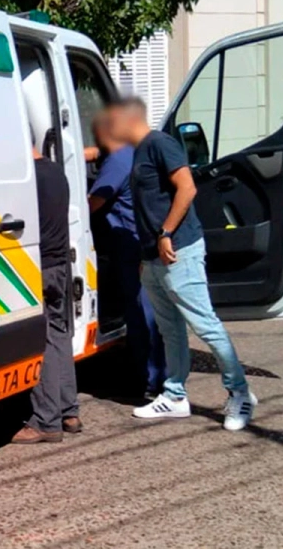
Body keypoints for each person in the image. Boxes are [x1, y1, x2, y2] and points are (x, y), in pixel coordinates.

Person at [107, 97, 257, 431]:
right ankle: (174, 396)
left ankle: (240, 393)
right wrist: (148, 255)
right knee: (169, 328)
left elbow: (186, 189)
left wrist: (166, 233)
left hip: (178, 250)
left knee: (205, 325)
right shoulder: (138, 151)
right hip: (154, 257)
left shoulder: (161, 143)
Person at [87, 113, 167, 398]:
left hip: (129, 246)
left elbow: (93, 204)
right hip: (139, 241)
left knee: (140, 314)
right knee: (149, 312)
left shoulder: (116, 162)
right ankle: (154, 377)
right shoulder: (129, 153)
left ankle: (150, 383)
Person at [13, 138, 82, 443]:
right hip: (60, 265)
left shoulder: (27, 179)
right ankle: (70, 412)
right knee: (59, 335)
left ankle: (46, 421)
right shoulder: (57, 173)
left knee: (41, 342)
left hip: (38, 267)